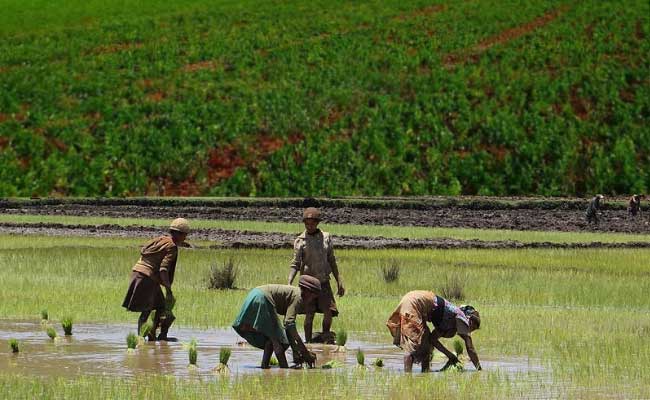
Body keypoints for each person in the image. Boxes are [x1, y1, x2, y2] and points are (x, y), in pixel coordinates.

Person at [122, 218, 189, 341]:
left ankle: (157, 336)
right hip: (148, 278)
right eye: (185, 235)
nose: (185, 238)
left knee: (160, 306)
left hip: (139, 274)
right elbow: (163, 269)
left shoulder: (160, 239)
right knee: (147, 310)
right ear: (179, 234)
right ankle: (142, 339)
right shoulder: (172, 247)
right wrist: (168, 289)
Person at [232, 276, 321, 369]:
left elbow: (288, 327)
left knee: (271, 338)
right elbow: (289, 323)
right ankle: (284, 370)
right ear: (308, 292)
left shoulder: (296, 294)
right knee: (278, 341)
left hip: (255, 294)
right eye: (313, 297)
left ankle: (264, 367)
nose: (312, 300)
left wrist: (296, 350)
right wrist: (304, 352)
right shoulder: (298, 297)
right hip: (263, 298)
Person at [288, 207, 344, 344]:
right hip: (308, 284)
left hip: (323, 281)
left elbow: (332, 260)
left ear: (317, 223)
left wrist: (339, 281)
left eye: (312, 223)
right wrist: (289, 282)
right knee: (309, 314)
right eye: (307, 223)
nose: (310, 225)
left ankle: (325, 336)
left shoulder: (326, 238)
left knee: (329, 311)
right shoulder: (300, 241)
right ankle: (308, 343)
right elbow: (295, 264)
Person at [387, 290, 481, 372]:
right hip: (415, 303)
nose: (469, 331)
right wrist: (479, 370)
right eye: (472, 328)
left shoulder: (449, 320)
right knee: (413, 345)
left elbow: (433, 339)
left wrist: (450, 355)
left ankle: (425, 373)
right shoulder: (462, 317)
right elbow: (470, 349)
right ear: (470, 321)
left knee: (425, 340)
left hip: (410, 299)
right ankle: (408, 379)